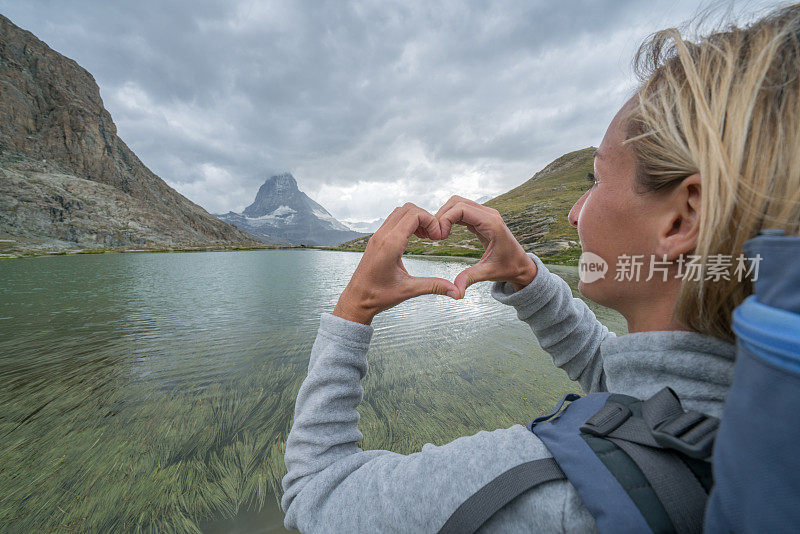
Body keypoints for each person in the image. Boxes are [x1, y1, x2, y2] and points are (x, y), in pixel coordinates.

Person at [281, 4, 800, 532]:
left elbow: (315, 492)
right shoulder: (755, 407)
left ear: (682, 219)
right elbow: (631, 386)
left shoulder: (549, 496)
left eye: (596, 181)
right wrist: (526, 276)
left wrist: (354, 308)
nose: (576, 211)